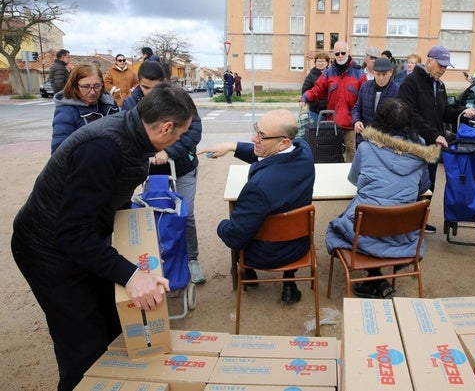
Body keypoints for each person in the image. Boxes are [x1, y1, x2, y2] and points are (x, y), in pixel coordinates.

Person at [11, 83, 196, 391]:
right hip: (48, 250)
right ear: (166, 127)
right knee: (83, 345)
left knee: (114, 323)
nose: (178, 140)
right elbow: (72, 232)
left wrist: (139, 257)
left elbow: (114, 196)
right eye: (178, 135)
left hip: (83, 239)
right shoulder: (102, 147)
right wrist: (131, 274)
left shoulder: (134, 134)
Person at [197, 109, 315, 303]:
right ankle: (289, 283)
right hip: (299, 247)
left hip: (266, 255)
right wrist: (231, 146)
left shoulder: (257, 188)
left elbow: (234, 237)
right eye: (256, 131)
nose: (253, 138)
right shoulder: (304, 152)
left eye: (261, 135)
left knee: (240, 227)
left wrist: (221, 225)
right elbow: (270, 157)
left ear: (283, 142)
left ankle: (249, 274)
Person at [326, 98, 439, 299]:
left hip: (363, 232)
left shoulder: (366, 148)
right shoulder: (420, 149)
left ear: (379, 121)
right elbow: (424, 187)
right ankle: (377, 277)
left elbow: (354, 180)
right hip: (403, 233)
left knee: (341, 225)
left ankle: (375, 277)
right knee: (378, 218)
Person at [122, 63, 206, 284]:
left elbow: (193, 132)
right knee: (150, 215)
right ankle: (155, 260)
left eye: (155, 87)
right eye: (145, 87)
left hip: (182, 168)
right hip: (150, 173)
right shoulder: (131, 103)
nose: (151, 93)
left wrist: (167, 151)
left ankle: (191, 259)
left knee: (184, 214)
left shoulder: (179, 100)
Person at [398, 45, 475, 233]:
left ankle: (420, 222)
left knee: (430, 184)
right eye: (440, 65)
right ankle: (403, 222)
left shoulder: (440, 85)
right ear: (429, 61)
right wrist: (434, 135)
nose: (443, 69)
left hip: (434, 146)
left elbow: (443, 113)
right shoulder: (410, 83)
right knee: (411, 184)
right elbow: (411, 115)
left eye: (446, 66)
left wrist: (463, 113)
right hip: (414, 144)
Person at [301, 40, 366, 162]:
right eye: (337, 53)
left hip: (351, 121)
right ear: (334, 55)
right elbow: (317, 89)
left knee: (351, 150)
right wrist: (305, 97)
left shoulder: (359, 73)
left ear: (348, 52)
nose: (340, 56)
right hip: (333, 121)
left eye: (343, 53)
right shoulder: (328, 73)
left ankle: (348, 174)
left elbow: (365, 96)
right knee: (332, 150)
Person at [51, 64, 119, 154]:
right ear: (75, 86)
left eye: (97, 86)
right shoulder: (66, 112)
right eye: (86, 87)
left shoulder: (110, 104)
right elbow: (59, 152)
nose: (92, 92)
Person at [352, 57, 399, 147]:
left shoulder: (397, 91)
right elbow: (357, 108)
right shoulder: (365, 87)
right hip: (364, 138)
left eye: (384, 74)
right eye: (378, 74)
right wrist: (356, 121)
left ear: (391, 72)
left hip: (385, 141)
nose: (381, 78)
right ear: (373, 72)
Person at [301, 52, 329, 124]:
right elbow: (305, 90)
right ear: (315, 63)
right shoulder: (311, 75)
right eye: (318, 61)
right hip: (315, 110)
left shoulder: (331, 74)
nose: (320, 63)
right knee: (315, 131)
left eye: (323, 61)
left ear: (327, 63)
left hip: (329, 110)